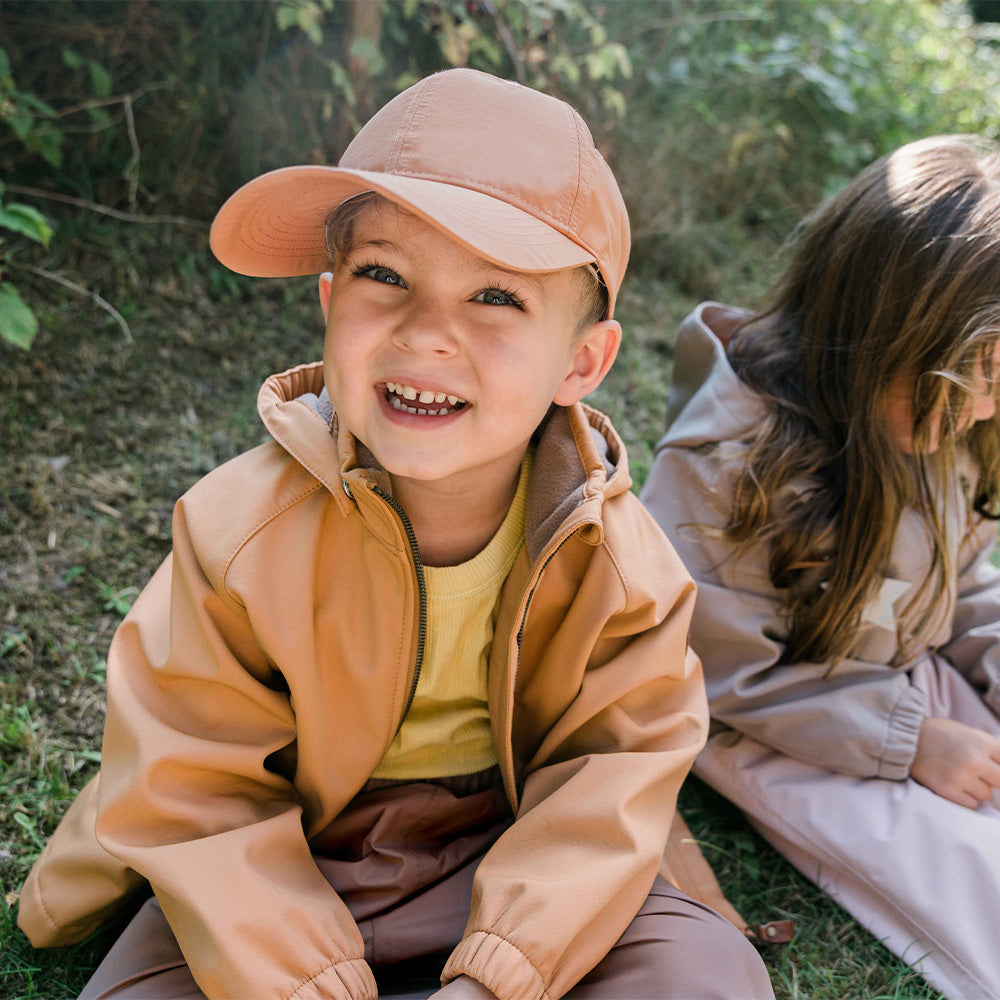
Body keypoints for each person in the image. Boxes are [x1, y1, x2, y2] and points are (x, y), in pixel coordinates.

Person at [16, 68, 773, 1000]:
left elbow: (609, 779)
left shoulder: (621, 563)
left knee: (708, 978)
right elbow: (194, 787)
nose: (427, 333)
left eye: (496, 297)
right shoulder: (235, 532)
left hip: (511, 851)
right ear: (330, 305)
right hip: (286, 861)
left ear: (582, 361)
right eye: (385, 275)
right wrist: (305, 981)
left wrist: (499, 974)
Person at [641, 133, 1000, 1000]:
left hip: (889, 669)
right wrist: (913, 742)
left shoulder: (944, 420)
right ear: (878, 334)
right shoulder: (727, 464)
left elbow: (964, 578)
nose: (988, 404)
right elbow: (714, 667)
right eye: (974, 377)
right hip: (781, 720)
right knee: (976, 879)